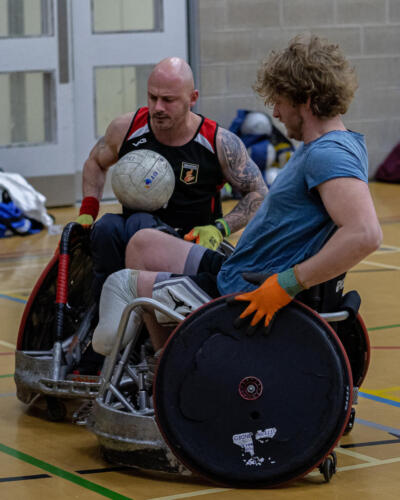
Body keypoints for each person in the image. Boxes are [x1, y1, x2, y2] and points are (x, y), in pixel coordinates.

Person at [92, 33, 382, 357]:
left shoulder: (329, 154)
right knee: (143, 243)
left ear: (305, 99)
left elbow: (365, 234)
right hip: (240, 271)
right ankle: (167, 363)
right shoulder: (333, 145)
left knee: (121, 285)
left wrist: (286, 285)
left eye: (280, 100)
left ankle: (165, 370)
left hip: (241, 292)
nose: (275, 112)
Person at [77, 56, 267, 299]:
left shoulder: (218, 142)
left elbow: (259, 193)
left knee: (140, 225)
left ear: (193, 98)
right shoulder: (126, 128)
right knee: (105, 228)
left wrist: (220, 228)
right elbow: (95, 162)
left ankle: (137, 309)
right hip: (133, 235)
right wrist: (89, 206)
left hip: (187, 248)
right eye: (152, 97)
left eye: (168, 100)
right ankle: (103, 309)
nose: (157, 108)